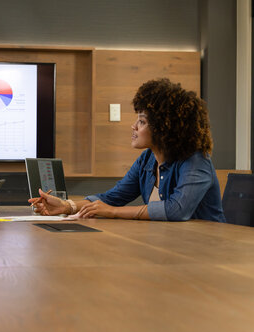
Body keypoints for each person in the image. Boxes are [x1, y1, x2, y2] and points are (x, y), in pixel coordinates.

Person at [29, 78, 226, 223]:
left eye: (142, 121)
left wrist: (113, 212)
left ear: (164, 127)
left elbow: (176, 210)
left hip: (207, 248)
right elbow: (112, 198)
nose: (134, 127)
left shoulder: (196, 160)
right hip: (171, 244)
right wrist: (67, 206)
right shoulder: (147, 159)